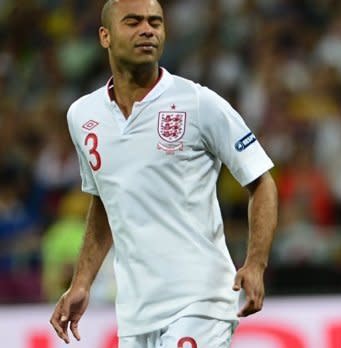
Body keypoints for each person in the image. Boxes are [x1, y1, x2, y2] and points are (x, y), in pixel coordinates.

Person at [49, 0, 278, 346]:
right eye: (133, 22)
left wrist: (256, 263)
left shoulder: (199, 103)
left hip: (200, 300)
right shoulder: (83, 115)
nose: (147, 30)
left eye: (155, 22)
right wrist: (82, 282)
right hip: (134, 310)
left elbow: (261, 181)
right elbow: (105, 200)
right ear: (105, 36)